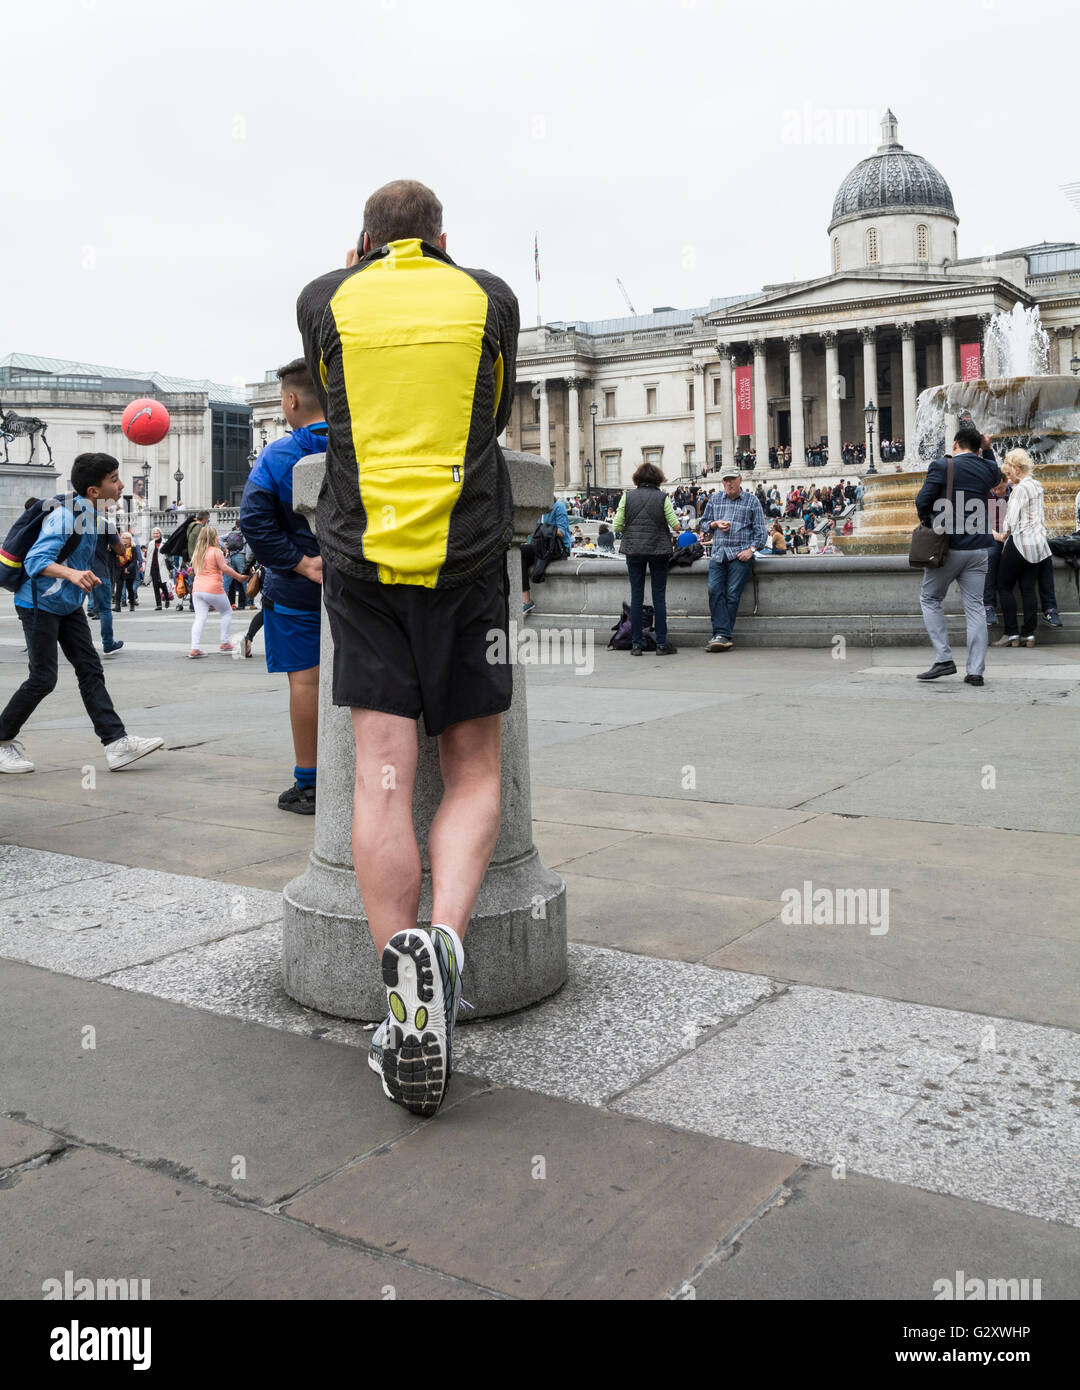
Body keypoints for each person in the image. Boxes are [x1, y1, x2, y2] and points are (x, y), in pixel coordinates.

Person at [297, 178, 517, 1118]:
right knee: (472, 768)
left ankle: (400, 1005)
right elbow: (493, 410)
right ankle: (448, 951)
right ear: (441, 238)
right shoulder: (489, 295)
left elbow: (327, 383)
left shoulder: (325, 298)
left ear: (361, 242)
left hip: (362, 559)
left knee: (384, 773)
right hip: (467, 557)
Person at [0, 453, 163, 774]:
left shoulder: (92, 514)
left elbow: (107, 543)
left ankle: (116, 743)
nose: (120, 485)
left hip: (67, 604)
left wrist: (117, 544)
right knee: (43, 678)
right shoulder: (66, 517)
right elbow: (35, 561)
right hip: (38, 605)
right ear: (93, 490)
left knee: (90, 669)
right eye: (114, 479)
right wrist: (73, 574)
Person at [239, 359, 326, 812]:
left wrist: (297, 562)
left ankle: (309, 783)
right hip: (367, 588)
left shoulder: (280, 453)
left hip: (300, 591)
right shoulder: (365, 446)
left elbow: (252, 519)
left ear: (290, 400)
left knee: (306, 682)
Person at [914, 422, 1002, 686]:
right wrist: (987, 450)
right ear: (977, 447)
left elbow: (922, 501)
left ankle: (944, 658)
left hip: (949, 546)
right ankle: (975, 671)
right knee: (975, 607)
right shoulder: (987, 468)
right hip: (979, 549)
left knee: (929, 598)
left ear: (955, 444)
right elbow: (996, 474)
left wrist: (928, 522)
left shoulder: (943, 465)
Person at [611, 462, 678, 655]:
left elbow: (616, 526)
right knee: (659, 597)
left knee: (636, 596)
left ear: (637, 479)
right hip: (658, 550)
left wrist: (628, 530)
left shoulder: (627, 496)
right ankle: (662, 644)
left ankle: (636, 644)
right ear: (657, 478)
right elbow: (675, 524)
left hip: (634, 550)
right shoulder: (662, 497)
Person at [700, 466, 766, 651]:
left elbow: (761, 532)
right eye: (726, 480)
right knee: (714, 591)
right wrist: (715, 524)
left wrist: (751, 550)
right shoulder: (714, 499)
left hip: (740, 555)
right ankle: (723, 635)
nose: (729, 483)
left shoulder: (752, 501)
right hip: (718, 554)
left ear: (740, 480)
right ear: (722, 482)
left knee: (732, 594)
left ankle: (720, 635)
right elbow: (703, 524)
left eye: (732, 479)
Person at [992, 448, 1050, 648]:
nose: (1008, 479)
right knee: (1028, 588)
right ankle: (1029, 634)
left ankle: (1011, 633)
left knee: (1004, 585)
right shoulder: (1037, 485)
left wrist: (1000, 535)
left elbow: (1010, 519)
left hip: (1020, 543)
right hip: (1037, 545)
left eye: (1009, 474)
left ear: (1017, 469)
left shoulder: (1020, 489)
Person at [187, 525, 246, 658]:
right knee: (226, 612)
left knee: (200, 618)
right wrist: (239, 577)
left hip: (197, 589)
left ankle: (194, 648)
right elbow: (224, 568)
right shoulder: (215, 550)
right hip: (212, 587)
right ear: (214, 537)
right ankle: (224, 642)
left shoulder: (198, 551)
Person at [521, 496, 570, 614]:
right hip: (542, 546)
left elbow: (561, 532)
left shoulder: (559, 507)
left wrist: (540, 529)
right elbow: (535, 532)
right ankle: (527, 601)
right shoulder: (540, 509)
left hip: (558, 548)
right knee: (521, 560)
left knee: (521, 550)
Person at [144, 526, 173, 610]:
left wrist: (170, 568)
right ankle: (158, 604)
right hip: (153, 567)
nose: (155, 535)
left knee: (163, 584)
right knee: (155, 585)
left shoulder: (165, 542)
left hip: (162, 566)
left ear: (160, 534)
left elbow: (169, 555)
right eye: (154, 533)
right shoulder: (150, 543)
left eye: (157, 533)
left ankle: (167, 599)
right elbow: (148, 556)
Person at [112, 532, 141, 611]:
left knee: (129, 588)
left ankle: (132, 604)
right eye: (123, 538)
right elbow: (114, 558)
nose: (124, 540)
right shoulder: (117, 547)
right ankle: (117, 606)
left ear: (130, 539)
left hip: (129, 570)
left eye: (126, 538)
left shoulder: (133, 548)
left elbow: (135, 560)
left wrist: (128, 568)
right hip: (119, 569)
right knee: (119, 588)